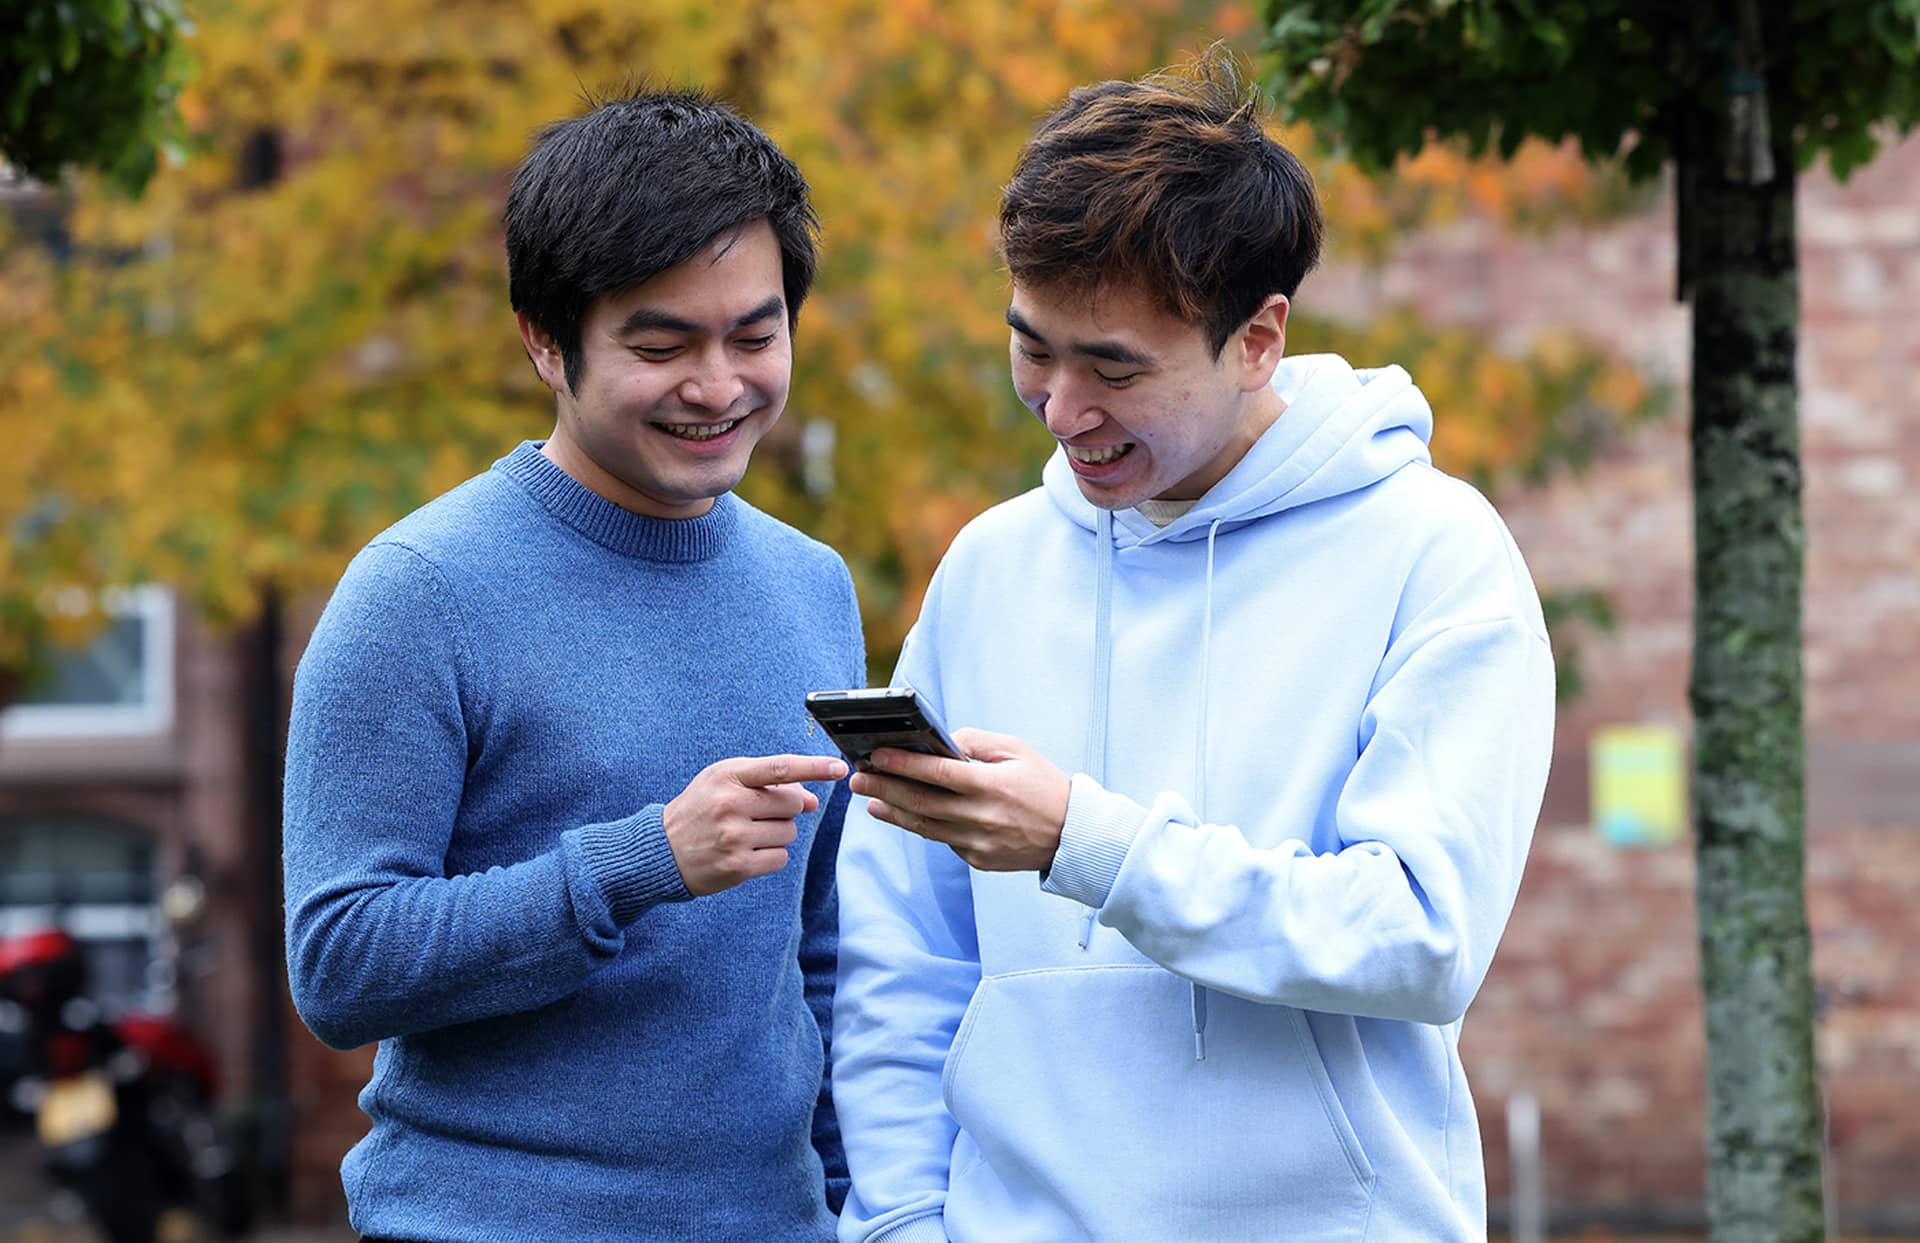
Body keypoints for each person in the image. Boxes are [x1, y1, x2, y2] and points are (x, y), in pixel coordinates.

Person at [831, 49, 1555, 1243]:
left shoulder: (1435, 552)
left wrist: (1086, 840)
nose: (1064, 410)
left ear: (1258, 338)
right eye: (1034, 350)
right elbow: (903, 953)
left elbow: (1420, 934)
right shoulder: (990, 568)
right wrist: (902, 1221)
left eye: (1114, 366)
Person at [283, 87, 861, 1242]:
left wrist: (855, 1201)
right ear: (546, 342)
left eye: (755, 335)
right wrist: (636, 864)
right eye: (662, 345)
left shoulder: (814, 585)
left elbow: (818, 956)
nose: (719, 386)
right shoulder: (419, 591)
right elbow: (340, 961)